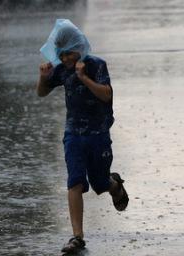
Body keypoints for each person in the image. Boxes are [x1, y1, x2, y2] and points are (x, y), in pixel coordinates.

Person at [36, 23, 129, 253]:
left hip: (98, 135)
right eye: (61, 54)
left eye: (69, 52)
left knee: (99, 183)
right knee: (75, 180)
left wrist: (84, 78)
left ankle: (114, 185)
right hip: (73, 135)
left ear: (79, 47)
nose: (65, 58)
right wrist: (44, 77)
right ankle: (77, 236)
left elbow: (106, 95)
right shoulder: (62, 69)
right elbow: (42, 91)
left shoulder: (96, 65)